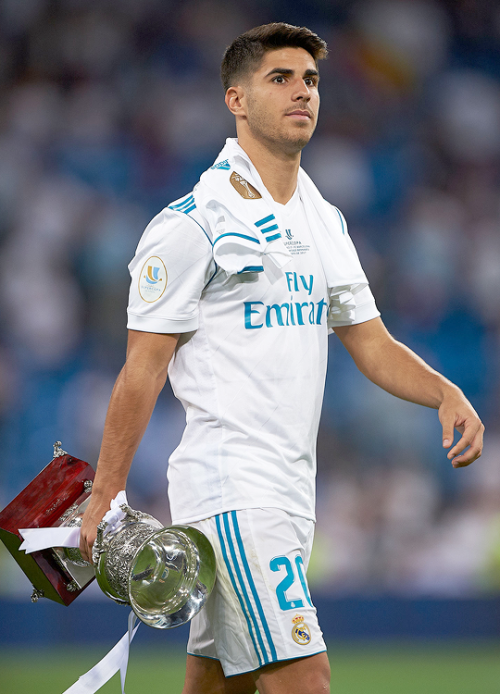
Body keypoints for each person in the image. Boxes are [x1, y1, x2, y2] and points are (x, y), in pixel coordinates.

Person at [80, 23, 484, 694]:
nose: (303, 92)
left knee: (219, 686)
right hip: (233, 490)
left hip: (292, 491)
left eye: (312, 80)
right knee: (306, 678)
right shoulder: (193, 223)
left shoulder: (322, 217)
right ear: (235, 99)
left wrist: (445, 392)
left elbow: (370, 341)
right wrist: (105, 494)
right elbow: (141, 369)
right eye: (281, 78)